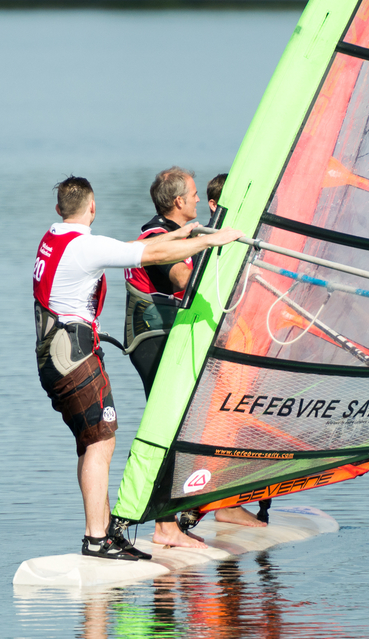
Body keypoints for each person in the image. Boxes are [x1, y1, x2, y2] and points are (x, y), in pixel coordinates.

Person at [33, 175, 241, 560]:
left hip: (53, 357)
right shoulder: (85, 247)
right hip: (75, 359)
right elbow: (148, 256)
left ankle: (99, 534)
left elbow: (131, 247)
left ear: (60, 209)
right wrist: (210, 240)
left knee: (90, 443)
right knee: (101, 443)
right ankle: (99, 539)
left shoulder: (54, 238)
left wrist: (185, 233)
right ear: (92, 207)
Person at [124, 167, 266, 549]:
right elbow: (182, 279)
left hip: (174, 339)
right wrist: (212, 246)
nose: (198, 199)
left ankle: (221, 503)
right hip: (154, 340)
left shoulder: (176, 232)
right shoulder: (157, 236)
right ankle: (164, 525)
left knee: (215, 420)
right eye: (192, 194)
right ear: (177, 202)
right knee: (171, 430)